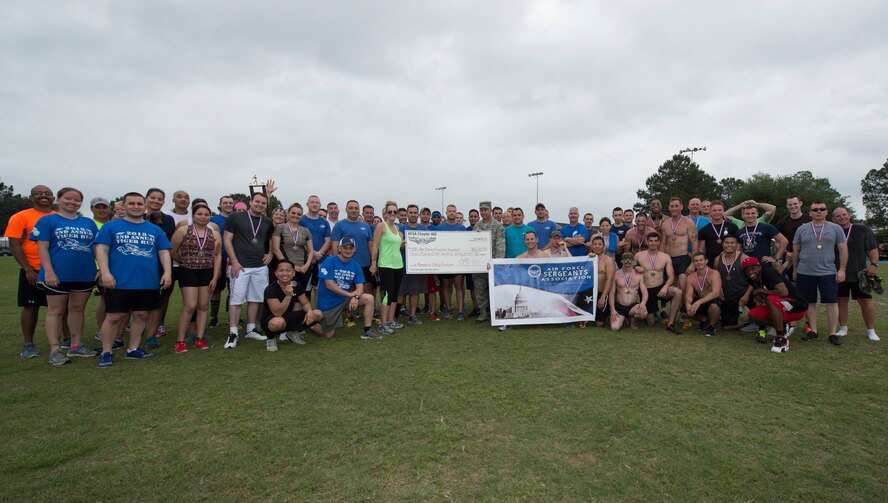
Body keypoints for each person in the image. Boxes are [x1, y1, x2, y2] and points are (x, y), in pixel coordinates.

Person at [94, 192, 172, 368]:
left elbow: (163, 252)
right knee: (114, 316)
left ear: (144, 206)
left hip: (148, 281)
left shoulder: (154, 229)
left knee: (142, 314)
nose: (136, 206)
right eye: (132, 203)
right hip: (120, 280)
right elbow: (101, 250)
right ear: (124, 205)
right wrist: (105, 273)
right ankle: (106, 351)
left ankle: (133, 348)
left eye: (139, 203)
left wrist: (167, 272)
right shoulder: (111, 227)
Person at [31, 187, 99, 365]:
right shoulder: (47, 221)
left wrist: (100, 269)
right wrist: (49, 271)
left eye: (77, 200)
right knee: (56, 310)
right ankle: (55, 348)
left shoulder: (88, 223)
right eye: (68, 198)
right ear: (58, 199)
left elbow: (96, 248)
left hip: (84, 273)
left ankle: (75, 345)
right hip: (58, 274)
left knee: (77, 309)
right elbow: (42, 247)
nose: (72, 202)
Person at [4, 184, 56, 359]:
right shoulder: (21, 217)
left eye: (48, 194)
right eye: (39, 193)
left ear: (53, 198)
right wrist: (27, 269)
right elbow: (14, 244)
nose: (44, 196)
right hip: (33, 269)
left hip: (57, 270)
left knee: (61, 308)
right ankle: (28, 344)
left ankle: (67, 341)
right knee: (31, 306)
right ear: (31, 197)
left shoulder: (59, 217)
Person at [223, 191, 275, 348]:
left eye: (263, 203)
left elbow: (271, 238)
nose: (260, 204)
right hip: (240, 266)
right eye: (257, 201)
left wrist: (271, 253)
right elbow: (227, 239)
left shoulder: (266, 221)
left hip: (259, 266)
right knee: (236, 299)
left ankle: (251, 329)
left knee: (256, 298)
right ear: (250, 202)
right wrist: (235, 261)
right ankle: (233, 333)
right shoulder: (236, 217)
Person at [792, 201, 848, 346]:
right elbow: (796, 251)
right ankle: (813, 331)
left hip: (828, 272)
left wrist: (842, 269)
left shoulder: (835, 228)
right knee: (809, 302)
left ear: (826, 212)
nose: (818, 211)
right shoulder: (802, 229)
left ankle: (832, 333)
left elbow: (843, 249)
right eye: (815, 209)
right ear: (809, 213)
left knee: (831, 302)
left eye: (821, 209)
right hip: (805, 272)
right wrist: (795, 269)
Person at [169, 202, 221, 353]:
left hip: (207, 271)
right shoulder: (183, 231)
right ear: (193, 216)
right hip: (188, 271)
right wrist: (184, 260)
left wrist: (215, 276)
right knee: (190, 305)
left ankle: (200, 337)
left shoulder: (214, 233)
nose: (203, 217)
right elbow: (172, 250)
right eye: (200, 214)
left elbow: (217, 256)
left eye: (206, 214)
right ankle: (180, 340)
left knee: (204, 306)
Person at [831, 207, 879, 341]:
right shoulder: (832, 231)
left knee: (865, 301)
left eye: (844, 214)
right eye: (838, 216)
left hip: (859, 273)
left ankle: (871, 330)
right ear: (833, 219)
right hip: (839, 273)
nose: (842, 217)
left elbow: (873, 248)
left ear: (849, 215)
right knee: (841, 300)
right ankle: (843, 328)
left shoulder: (863, 230)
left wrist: (874, 264)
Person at [742, 257, 808, 353]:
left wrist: (760, 290)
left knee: (771, 299)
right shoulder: (753, 279)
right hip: (780, 306)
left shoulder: (768, 273)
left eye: (752, 268)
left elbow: (783, 292)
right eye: (747, 269)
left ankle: (781, 337)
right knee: (753, 315)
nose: (750, 271)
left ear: (759, 266)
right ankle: (784, 327)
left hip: (797, 307)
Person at [317, 237, 379, 339]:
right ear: (340, 248)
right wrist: (350, 294)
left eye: (351, 248)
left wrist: (356, 297)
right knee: (329, 335)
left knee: (369, 298)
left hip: (344, 299)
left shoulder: (355, 265)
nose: (348, 250)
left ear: (354, 250)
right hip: (329, 302)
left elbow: (360, 287)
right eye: (345, 248)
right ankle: (312, 324)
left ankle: (367, 330)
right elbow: (329, 285)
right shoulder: (329, 261)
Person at [261, 260, 325, 351]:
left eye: (288, 270)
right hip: (272, 319)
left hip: (289, 316)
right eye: (281, 270)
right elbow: (277, 312)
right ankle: (271, 339)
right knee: (277, 323)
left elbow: (305, 303)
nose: (284, 273)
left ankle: (293, 333)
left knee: (317, 313)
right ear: (276, 273)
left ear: (293, 273)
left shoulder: (297, 285)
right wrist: (288, 296)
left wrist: (310, 311)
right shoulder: (270, 289)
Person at [635, 233, 683, 333]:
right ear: (647, 242)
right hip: (646, 290)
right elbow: (629, 269)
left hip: (660, 287)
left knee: (677, 292)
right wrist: (636, 267)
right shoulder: (639, 256)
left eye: (655, 241)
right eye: (651, 241)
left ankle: (671, 324)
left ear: (659, 242)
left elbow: (671, 277)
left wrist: (665, 287)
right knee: (651, 323)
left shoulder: (665, 257)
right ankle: (651, 313)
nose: (653, 243)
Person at [370, 201, 406, 334]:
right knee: (388, 293)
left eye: (394, 212)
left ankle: (391, 320)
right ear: (384, 213)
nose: (392, 214)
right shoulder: (381, 226)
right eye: (389, 211)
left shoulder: (398, 229)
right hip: (385, 264)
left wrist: (404, 245)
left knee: (395, 293)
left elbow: (397, 246)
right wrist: (374, 262)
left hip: (398, 264)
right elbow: (375, 245)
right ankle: (383, 324)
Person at [331, 200, 376, 303]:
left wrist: (373, 262)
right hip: (346, 264)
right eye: (351, 208)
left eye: (356, 208)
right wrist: (336, 263)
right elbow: (335, 245)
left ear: (359, 210)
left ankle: (365, 312)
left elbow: (371, 245)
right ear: (346, 210)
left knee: (367, 288)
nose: (353, 210)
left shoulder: (365, 226)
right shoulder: (339, 225)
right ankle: (348, 315)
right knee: (346, 288)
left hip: (365, 263)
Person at [433, 204, 469, 320]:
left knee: (459, 286)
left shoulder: (461, 228)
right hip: (444, 262)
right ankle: (448, 309)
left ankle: (460, 311)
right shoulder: (439, 228)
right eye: (450, 211)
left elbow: (466, 244)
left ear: (456, 212)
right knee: (446, 286)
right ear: (446, 213)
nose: (452, 213)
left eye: (454, 211)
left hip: (458, 262)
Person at [471, 201, 505, 323]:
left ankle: (494, 312)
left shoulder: (497, 226)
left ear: (490, 211)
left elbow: (500, 245)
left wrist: (496, 263)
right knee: (480, 289)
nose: (484, 212)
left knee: (494, 289)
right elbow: (472, 244)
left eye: (486, 210)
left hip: (492, 264)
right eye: (482, 210)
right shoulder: (477, 226)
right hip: (479, 264)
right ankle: (483, 312)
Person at [398, 204, 430, 324]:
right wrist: (400, 246)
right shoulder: (400, 229)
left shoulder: (424, 230)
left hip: (417, 266)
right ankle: (396, 314)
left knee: (415, 291)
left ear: (418, 214)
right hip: (401, 264)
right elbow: (393, 246)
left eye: (415, 212)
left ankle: (412, 315)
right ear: (407, 214)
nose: (413, 214)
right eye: (410, 212)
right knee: (400, 292)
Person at [271, 203, 314, 288]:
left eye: (299, 214)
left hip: (303, 268)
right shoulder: (280, 227)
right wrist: (290, 266)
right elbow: (275, 249)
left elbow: (310, 250)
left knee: (300, 294)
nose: (296, 216)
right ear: (288, 213)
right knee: (288, 293)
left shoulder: (305, 230)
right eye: (293, 213)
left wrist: (307, 265)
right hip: (286, 269)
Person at [659, 197, 697, 291]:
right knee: (671, 286)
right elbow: (663, 243)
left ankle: (684, 305)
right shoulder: (665, 224)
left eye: (676, 206)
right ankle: (673, 305)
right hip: (668, 258)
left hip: (682, 257)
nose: (674, 208)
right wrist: (660, 260)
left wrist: (693, 263)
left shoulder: (689, 223)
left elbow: (695, 244)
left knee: (683, 284)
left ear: (681, 207)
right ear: (668, 208)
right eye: (672, 206)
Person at [209, 195, 234, 327]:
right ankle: (214, 317)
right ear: (220, 204)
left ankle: (232, 317)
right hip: (219, 259)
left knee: (233, 290)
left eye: (231, 203)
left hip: (233, 260)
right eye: (225, 203)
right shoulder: (213, 220)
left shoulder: (238, 218)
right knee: (216, 289)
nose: (228, 205)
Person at [714, 235, 749, 330]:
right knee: (726, 327)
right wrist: (719, 290)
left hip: (744, 293)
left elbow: (754, 280)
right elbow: (715, 278)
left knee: (759, 302)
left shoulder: (744, 258)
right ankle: (744, 323)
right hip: (728, 296)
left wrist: (746, 295)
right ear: (723, 244)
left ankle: (759, 322)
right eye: (727, 243)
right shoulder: (718, 259)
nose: (729, 245)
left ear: (737, 245)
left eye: (732, 243)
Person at [684, 252, 723, 336]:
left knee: (714, 306)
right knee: (685, 309)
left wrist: (698, 303)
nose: (698, 262)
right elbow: (688, 295)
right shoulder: (691, 277)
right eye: (696, 261)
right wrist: (688, 304)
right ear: (693, 263)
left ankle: (712, 326)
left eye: (701, 260)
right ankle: (705, 320)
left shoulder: (714, 273)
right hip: (702, 302)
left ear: (706, 261)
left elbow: (716, 293)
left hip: (715, 301)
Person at [301, 195, 333, 298]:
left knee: (319, 289)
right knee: (305, 289)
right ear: (307, 204)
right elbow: (299, 240)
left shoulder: (324, 222)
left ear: (320, 205)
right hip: (305, 261)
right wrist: (312, 254)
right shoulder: (301, 220)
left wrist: (318, 254)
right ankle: (305, 313)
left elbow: (328, 241)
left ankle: (318, 313)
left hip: (321, 260)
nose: (314, 204)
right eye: (312, 202)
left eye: (317, 202)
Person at [775, 195, 812, 277]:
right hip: (787, 259)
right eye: (790, 204)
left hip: (805, 259)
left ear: (800, 203)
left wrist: (797, 254)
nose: (793, 206)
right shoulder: (782, 222)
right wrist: (786, 252)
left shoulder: (810, 220)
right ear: (787, 206)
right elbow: (777, 242)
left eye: (795, 204)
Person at [609, 253, 648, 330]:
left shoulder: (639, 275)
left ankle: (633, 319)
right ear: (621, 261)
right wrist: (612, 309)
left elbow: (644, 292)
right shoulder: (616, 274)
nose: (627, 261)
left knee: (643, 313)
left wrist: (643, 303)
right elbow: (611, 293)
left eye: (630, 259)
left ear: (633, 262)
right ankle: (623, 318)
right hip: (619, 306)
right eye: (625, 259)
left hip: (632, 306)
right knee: (614, 328)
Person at [590, 236, 616, 327]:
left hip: (602, 293)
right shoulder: (588, 259)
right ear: (592, 246)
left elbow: (610, 280)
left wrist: (603, 297)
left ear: (604, 246)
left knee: (599, 324)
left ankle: (607, 312)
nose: (597, 246)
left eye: (600, 244)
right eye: (595, 244)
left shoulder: (608, 261)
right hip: (589, 294)